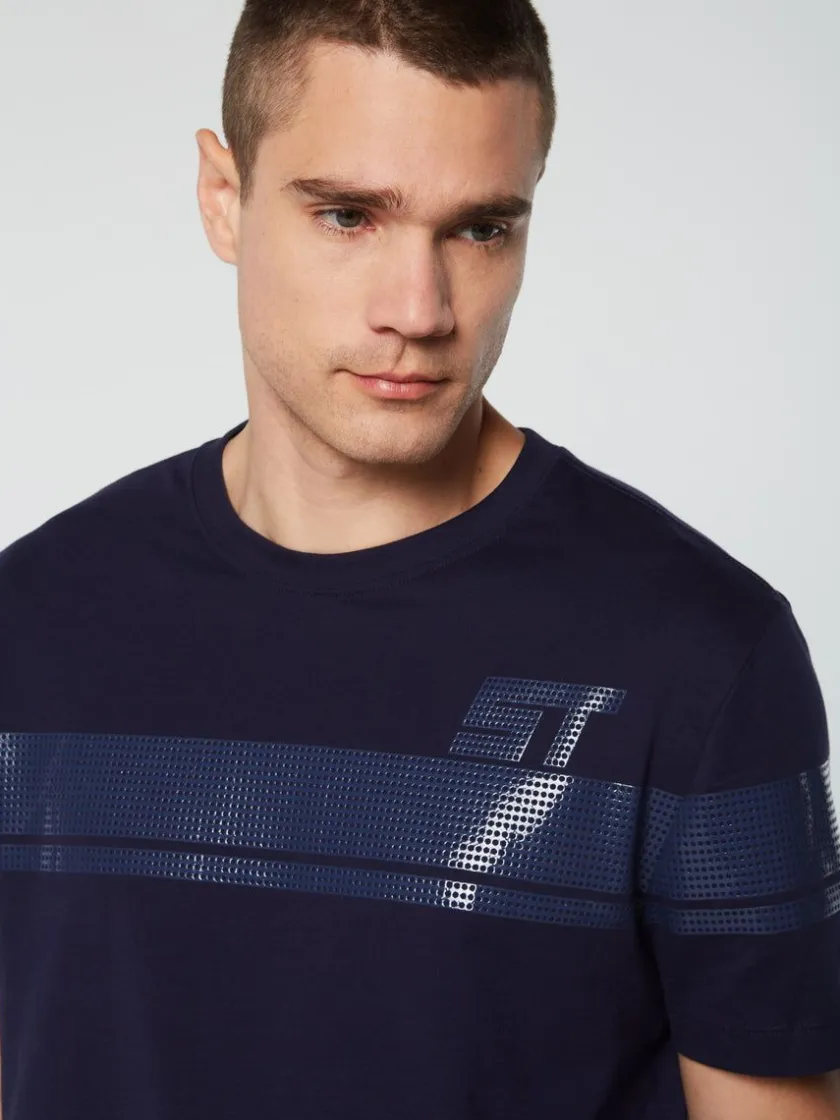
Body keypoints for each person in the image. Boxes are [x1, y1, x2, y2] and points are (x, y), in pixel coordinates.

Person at [0, 0, 838, 1116]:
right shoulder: (31, 622)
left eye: (480, 229)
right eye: (348, 215)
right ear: (222, 196)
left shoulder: (702, 655)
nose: (421, 311)